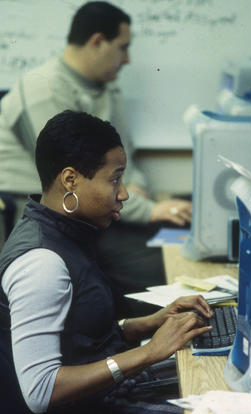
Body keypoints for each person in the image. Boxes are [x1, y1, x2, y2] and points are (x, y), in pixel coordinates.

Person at [0, 110, 212, 414]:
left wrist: (149, 324)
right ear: (70, 179)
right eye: (115, 179)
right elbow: (41, 390)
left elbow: (81, 339)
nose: (123, 193)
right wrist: (149, 352)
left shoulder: (68, 232)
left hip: (108, 392)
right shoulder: (40, 264)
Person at [0, 1, 192, 301]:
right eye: (123, 47)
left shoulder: (106, 88)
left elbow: (125, 153)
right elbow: (77, 176)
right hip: (52, 218)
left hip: (94, 208)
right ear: (97, 42)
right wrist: (150, 210)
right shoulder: (42, 91)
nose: (127, 59)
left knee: (173, 251)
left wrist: (137, 187)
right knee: (164, 270)